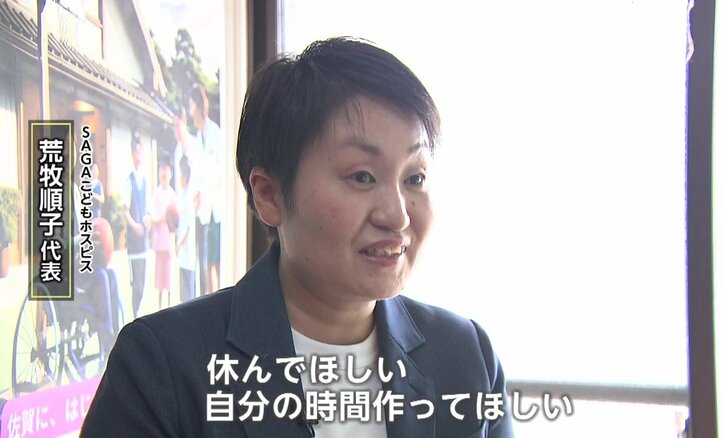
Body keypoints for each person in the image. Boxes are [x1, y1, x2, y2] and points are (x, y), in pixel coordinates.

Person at [82, 37, 513, 437]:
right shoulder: (160, 369)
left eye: (414, 178)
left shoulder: (466, 356)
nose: (397, 215)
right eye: (362, 176)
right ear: (269, 195)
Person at [189, 84, 224, 294]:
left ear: (199, 105)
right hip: (202, 212)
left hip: (216, 210)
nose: (190, 110)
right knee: (205, 264)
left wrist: (205, 192)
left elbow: (222, 172)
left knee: (216, 263)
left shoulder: (215, 133)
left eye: (191, 105)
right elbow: (196, 175)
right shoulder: (196, 140)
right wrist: (195, 195)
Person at [123, 133, 151, 318]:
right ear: (132, 154)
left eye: (141, 152)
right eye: (136, 152)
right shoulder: (129, 180)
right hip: (134, 241)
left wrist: (147, 221)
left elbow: (148, 210)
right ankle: (135, 316)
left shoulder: (145, 180)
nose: (139, 156)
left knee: (143, 281)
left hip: (144, 241)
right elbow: (125, 210)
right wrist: (135, 227)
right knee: (137, 284)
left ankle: (139, 314)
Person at [151, 157, 176, 310]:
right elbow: (152, 217)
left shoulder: (173, 194)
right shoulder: (156, 193)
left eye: (166, 170)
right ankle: (160, 307)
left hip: (169, 241)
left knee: (169, 278)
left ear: (170, 173)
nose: (164, 173)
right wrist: (162, 218)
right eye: (162, 170)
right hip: (159, 241)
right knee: (160, 279)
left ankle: (170, 306)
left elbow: (176, 219)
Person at [175, 155, 196, 303]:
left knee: (188, 295)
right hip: (183, 255)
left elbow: (188, 228)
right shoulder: (182, 196)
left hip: (187, 252)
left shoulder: (188, 198)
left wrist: (179, 244)